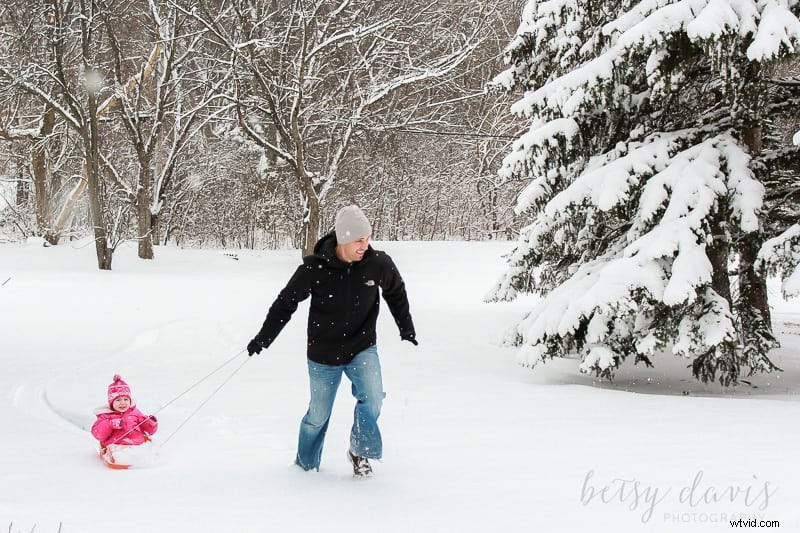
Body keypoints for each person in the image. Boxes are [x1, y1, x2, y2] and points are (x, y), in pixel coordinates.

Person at [247, 205, 417, 476]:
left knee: (373, 398)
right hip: (323, 353)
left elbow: (395, 291)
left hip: (362, 346)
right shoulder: (315, 268)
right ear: (343, 239)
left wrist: (406, 327)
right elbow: (285, 303)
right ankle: (306, 466)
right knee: (317, 415)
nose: (365, 245)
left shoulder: (378, 263)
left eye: (368, 238)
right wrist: (263, 338)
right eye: (359, 240)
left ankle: (359, 452)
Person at [91, 374, 158, 448]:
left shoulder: (135, 412)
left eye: (126, 399)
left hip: (138, 445)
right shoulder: (106, 415)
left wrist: (150, 423)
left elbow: (149, 431)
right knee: (124, 457)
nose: (122, 403)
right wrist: (110, 424)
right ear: (111, 403)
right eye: (118, 400)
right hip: (117, 446)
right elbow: (98, 433)